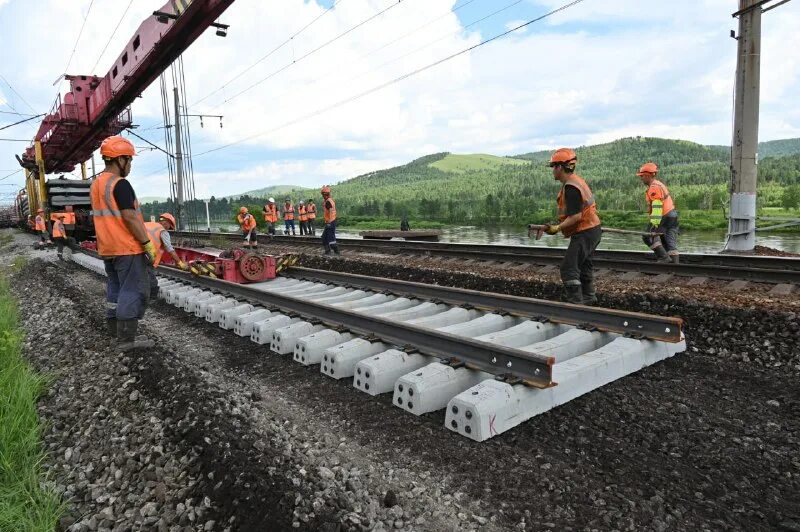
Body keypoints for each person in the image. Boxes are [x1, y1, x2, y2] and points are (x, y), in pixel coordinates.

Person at [89, 135, 156, 351]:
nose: (130, 165)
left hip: (108, 248)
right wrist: (146, 242)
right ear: (121, 160)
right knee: (133, 291)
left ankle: (115, 333)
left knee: (116, 290)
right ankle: (127, 340)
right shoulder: (120, 184)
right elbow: (129, 217)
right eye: (130, 160)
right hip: (126, 247)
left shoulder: (97, 184)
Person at [543, 148, 602, 305]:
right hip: (592, 229)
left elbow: (576, 216)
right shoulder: (575, 181)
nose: (552, 170)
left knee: (569, 268)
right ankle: (589, 298)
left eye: (553, 167)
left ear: (560, 167)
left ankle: (575, 304)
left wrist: (557, 228)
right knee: (584, 265)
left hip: (586, 231)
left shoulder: (571, 187)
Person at [637, 162, 679, 264]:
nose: (641, 178)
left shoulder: (654, 188)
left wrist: (654, 224)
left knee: (647, 236)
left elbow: (657, 206)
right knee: (669, 242)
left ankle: (664, 258)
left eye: (642, 176)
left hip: (663, 215)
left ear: (648, 175)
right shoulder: (659, 184)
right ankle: (675, 265)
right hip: (672, 215)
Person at [144, 213, 188, 298]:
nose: (168, 229)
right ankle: (152, 297)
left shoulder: (148, 224)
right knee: (151, 276)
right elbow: (170, 249)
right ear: (166, 223)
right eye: (169, 227)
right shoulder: (162, 231)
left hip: (132, 251)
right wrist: (180, 263)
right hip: (145, 255)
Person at [321, 185, 340, 255]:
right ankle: (327, 251)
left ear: (325, 194)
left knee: (331, 239)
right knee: (324, 238)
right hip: (330, 222)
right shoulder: (329, 200)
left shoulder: (328, 202)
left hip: (330, 222)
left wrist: (329, 222)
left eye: (323, 194)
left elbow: (331, 212)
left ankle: (337, 252)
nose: (322, 196)